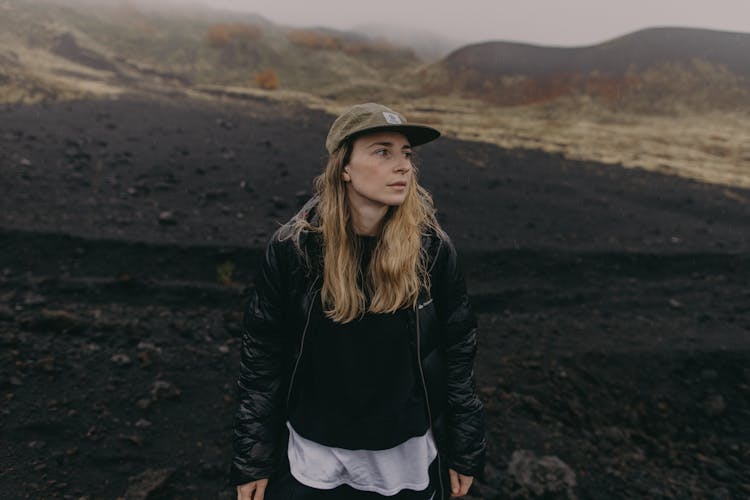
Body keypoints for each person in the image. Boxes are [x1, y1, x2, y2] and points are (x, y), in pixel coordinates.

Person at [231, 103, 485, 499]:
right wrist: (254, 458)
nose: (403, 166)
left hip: (404, 458)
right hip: (313, 458)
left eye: (406, 154)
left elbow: (457, 353)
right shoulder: (295, 249)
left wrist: (464, 450)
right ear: (344, 167)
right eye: (383, 151)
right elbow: (262, 357)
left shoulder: (431, 250)